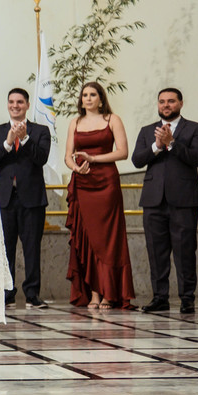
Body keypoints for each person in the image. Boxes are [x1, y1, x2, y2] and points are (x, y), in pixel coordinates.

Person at [131, 87, 198, 314]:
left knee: (185, 250)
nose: (166, 105)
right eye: (162, 101)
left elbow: (195, 158)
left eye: (171, 101)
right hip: (153, 200)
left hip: (183, 199)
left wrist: (172, 142)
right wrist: (157, 146)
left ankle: (187, 298)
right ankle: (160, 297)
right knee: (156, 251)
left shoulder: (195, 128)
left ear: (181, 103)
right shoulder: (147, 131)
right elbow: (136, 160)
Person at [63, 82, 135, 311]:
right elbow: (67, 156)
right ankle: (94, 293)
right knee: (89, 239)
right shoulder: (74, 122)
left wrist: (93, 159)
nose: (88, 98)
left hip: (106, 183)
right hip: (83, 184)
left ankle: (110, 294)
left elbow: (123, 152)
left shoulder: (112, 119)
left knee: (108, 239)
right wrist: (77, 168)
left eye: (93, 94)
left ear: (101, 98)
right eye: (84, 94)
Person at [0, 88, 51, 309]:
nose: (16, 105)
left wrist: (24, 140)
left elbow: (41, 158)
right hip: (4, 199)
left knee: (32, 247)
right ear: (7, 104)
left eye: (20, 102)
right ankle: (7, 292)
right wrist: (8, 142)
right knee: (6, 248)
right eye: (12, 102)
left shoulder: (40, 131)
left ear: (27, 105)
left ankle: (32, 294)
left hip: (32, 198)